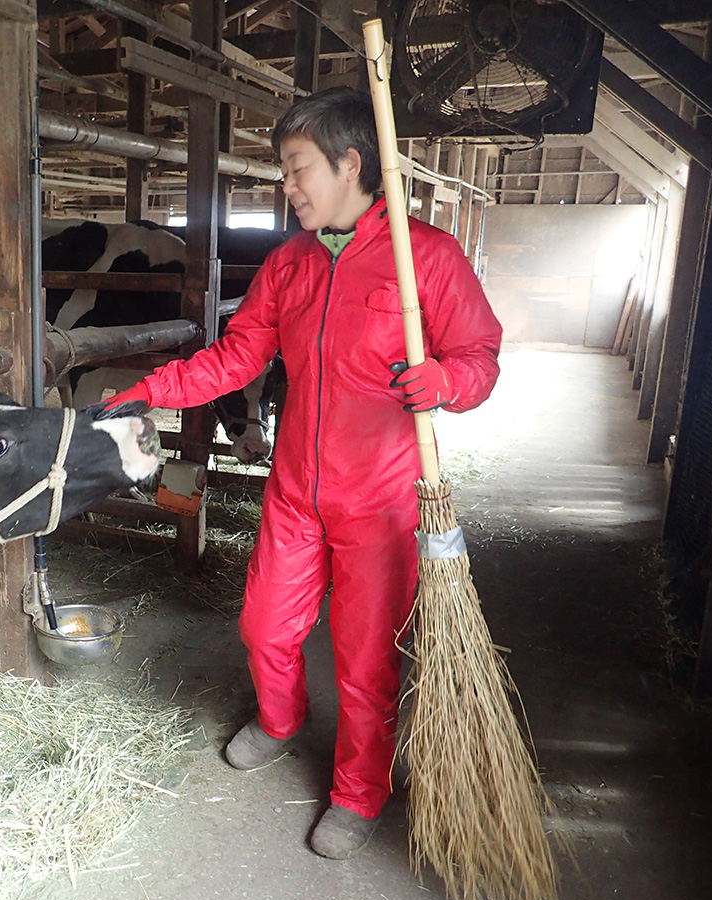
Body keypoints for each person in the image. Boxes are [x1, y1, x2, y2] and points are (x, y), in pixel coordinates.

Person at [91, 86, 503, 859]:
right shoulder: (289, 266)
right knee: (263, 625)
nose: (287, 188)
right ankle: (280, 722)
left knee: (366, 653)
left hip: (382, 496)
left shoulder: (427, 260)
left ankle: (358, 791)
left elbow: (481, 360)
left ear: (350, 164)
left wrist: (448, 382)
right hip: (295, 488)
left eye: (296, 168)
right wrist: (148, 390)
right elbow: (235, 358)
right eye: (285, 171)